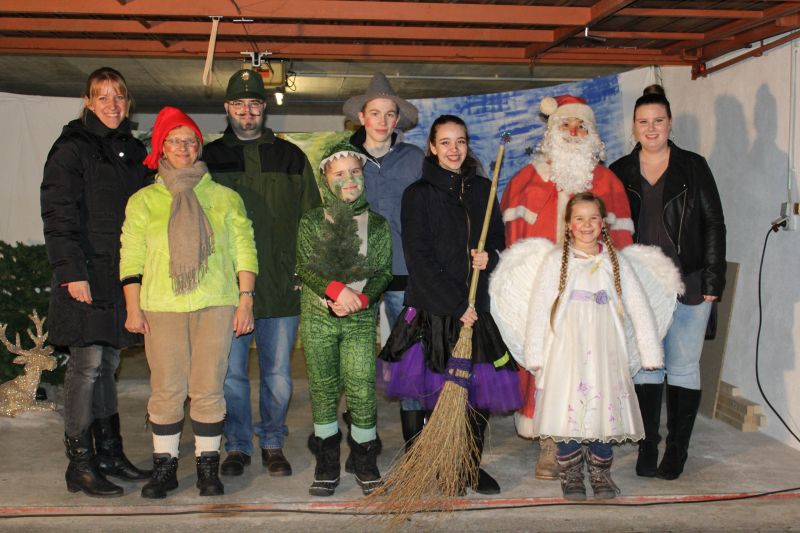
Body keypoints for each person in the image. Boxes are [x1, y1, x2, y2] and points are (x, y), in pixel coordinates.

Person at [490, 193, 682, 500]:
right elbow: (539, 308)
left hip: (605, 349)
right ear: (568, 224)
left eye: (593, 218)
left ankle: (600, 472)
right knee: (569, 408)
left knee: (603, 407)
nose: (586, 224)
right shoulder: (556, 261)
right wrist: (535, 353)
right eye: (579, 218)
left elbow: (638, 305)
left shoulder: (615, 261)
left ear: (603, 222)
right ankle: (571, 474)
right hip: (566, 349)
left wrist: (649, 351)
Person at [378, 115, 521, 495]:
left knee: (477, 394)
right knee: (438, 392)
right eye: (445, 142)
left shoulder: (482, 189)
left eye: (460, 141)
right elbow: (419, 258)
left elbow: (497, 237)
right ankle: (439, 463)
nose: (453, 149)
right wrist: (457, 305)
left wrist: (488, 255)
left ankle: (469, 465)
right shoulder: (418, 194)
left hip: (477, 306)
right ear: (432, 147)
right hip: (436, 308)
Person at [120, 106, 258, 499]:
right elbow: (130, 256)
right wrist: (133, 307)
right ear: (161, 148)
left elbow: (245, 250)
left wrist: (245, 300)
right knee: (166, 388)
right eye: (174, 141)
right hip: (160, 306)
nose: (183, 148)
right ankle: (164, 469)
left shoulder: (225, 197)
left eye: (190, 141)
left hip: (216, 304)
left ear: (199, 147)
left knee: (208, 386)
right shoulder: (143, 200)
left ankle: (207, 468)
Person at [499, 94, 634, 480]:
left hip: (592, 297)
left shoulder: (607, 182)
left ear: (592, 134)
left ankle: (587, 438)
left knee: (591, 368)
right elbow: (511, 242)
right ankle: (549, 438)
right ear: (551, 131)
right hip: (542, 293)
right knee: (544, 365)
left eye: (582, 127)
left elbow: (622, 243)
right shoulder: (526, 179)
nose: (574, 133)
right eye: (566, 125)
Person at [203, 69, 321, 478]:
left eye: (254, 104)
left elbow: (312, 219)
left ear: (264, 108)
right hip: (227, 289)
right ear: (227, 108)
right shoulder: (209, 159)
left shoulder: (291, 157)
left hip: (283, 285)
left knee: (279, 374)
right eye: (239, 104)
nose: (247, 112)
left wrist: (306, 272)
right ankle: (237, 445)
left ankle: (272, 440)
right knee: (232, 374)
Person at [41, 66, 151, 497]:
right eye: (102, 97)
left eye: (119, 96)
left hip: (118, 276)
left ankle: (109, 453)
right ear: (88, 102)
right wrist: (72, 273)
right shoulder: (71, 148)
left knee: (108, 365)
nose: (112, 104)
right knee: (85, 367)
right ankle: (80, 463)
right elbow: (58, 213)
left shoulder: (132, 151)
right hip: (85, 275)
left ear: (128, 103)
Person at [610, 84, 726, 480]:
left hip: (689, 283)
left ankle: (677, 450)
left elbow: (714, 224)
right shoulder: (620, 171)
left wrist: (713, 280)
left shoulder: (693, 166)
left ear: (670, 123)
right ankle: (647, 445)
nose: (651, 128)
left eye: (658, 120)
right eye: (643, 121)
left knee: (683, 367)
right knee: (647, 366)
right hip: (640, 287)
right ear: (634, 126)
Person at [296, 140, 392, 497]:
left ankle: (365, 461)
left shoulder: (377, 225)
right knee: (322, 389)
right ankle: (326, 463)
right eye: (339, 174)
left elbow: (383, 271)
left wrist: (362, 298)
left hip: (359, 319)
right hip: (318, 317)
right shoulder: (311, 221)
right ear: (325, 179)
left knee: (362, 387)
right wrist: (336, 291)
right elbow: (305, 266)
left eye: (355, 171)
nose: (349, 179)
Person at [342, 74, 427, 447]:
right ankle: (362, 433)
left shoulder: (414, 159)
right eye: (374, 113)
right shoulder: (344, 159)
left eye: (390, 114)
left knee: (410, 355)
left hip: (404, 274)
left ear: (397, 120)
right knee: (357, 355)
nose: (382, 120)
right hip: (358, 275)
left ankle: (415, 439)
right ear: (362, 117)